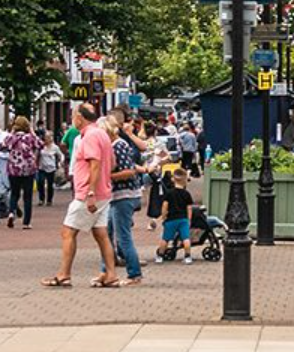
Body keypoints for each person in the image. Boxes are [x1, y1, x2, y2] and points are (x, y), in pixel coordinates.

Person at [43, 102, 118, 288]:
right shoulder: (102, 134)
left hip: (87, 193)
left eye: (73, 116)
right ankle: (111, 274)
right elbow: (112, 163)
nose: (72, 120)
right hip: (104, 192)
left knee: (68, 231)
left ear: (80, 117)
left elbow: (94, 163)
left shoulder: (90, 136)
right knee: (101, 233)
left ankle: (64, 274)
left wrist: (90, 191)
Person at [105, 111, 150, 282]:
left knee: (122, 236)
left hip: (124, 195)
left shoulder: (119, 145)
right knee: (107, 233)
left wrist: (107, 176)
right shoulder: (114, 145)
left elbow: (129, 171)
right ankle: (107, 271)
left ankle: (134, 273)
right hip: (116, 196)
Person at [5, 116, 42, 229]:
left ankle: (11, 212)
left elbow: (3, 146)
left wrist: (11, 133)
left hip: (13, 169)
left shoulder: (11, 138)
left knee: (14, 193)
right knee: (27, 196)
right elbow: (40, 144)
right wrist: (32, 132)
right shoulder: (29, 137)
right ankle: (26, 222)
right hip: (28, 169)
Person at [156, 168, 197, 265]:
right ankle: (187, 257)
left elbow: (164, 206)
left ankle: (160, 256)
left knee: (165, 238)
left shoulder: (169, 193)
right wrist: (189, 219)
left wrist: (163, 216)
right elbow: (189, 208)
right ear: (185, 180)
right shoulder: (187, 194)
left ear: (173, 179)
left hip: (171, 219)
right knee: (186, 238)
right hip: (183, 219)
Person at [37, 133, 62, 207]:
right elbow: (37, 154)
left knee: (50, 185)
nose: (47, 139)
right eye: (46, 137)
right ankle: (41, 199)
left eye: (49, 137)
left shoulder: (55, 147)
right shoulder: (41, 146)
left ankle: (49, 200)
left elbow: (60, 155)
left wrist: (60, 162)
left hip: (51, 168)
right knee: (40, 182)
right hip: (42, 167)